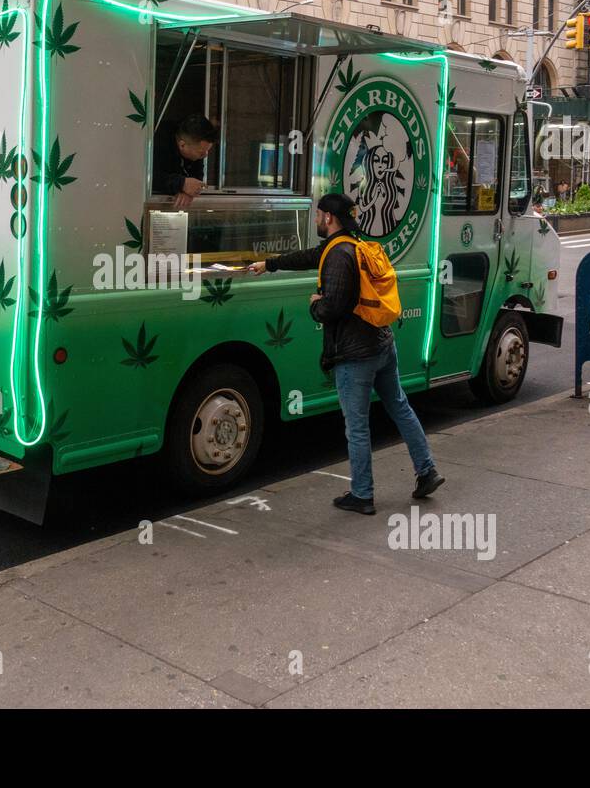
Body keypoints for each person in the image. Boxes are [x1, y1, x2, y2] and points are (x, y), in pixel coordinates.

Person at [248, 193, 443, 515]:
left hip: (356, 354)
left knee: (356, 426)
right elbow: (311, 257)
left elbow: (334, 307)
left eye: (318, 215)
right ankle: (427, 471)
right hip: (382, 344)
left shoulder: (338, 256)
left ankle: (362, 494)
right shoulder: (352, 245)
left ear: (328, 218)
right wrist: (269, 265)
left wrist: (314, 304)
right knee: (400, 407)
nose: (315, 221)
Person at [152, 113, 218, 210]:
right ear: (182, 145)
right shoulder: (157, 143)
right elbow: (147, 177)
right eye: (200, 152)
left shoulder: (195, 150)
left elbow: (197, 178)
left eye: (207, 151)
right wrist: (182, 184)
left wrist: (188, 191)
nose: (205, 155)